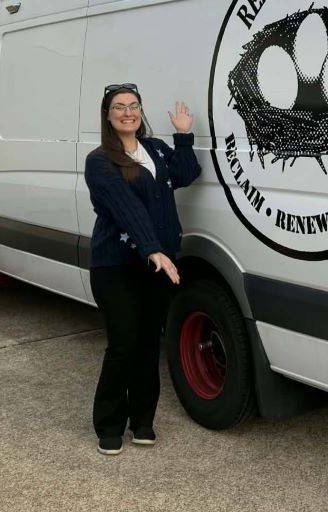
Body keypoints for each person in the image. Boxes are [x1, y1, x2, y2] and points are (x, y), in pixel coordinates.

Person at [84, 83, 201, 455]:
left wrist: (183, 136)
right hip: (116, 265)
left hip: (158, 265)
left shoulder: (154, 149)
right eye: (119, 107)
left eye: (133, 106)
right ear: (107, 115)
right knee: (124, 343)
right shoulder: (100, 160)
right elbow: (125, 207)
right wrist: (152, 249)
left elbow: (185, 174)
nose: (127, 112)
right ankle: (109, 423)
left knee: (150, 344)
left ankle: (143, 422)